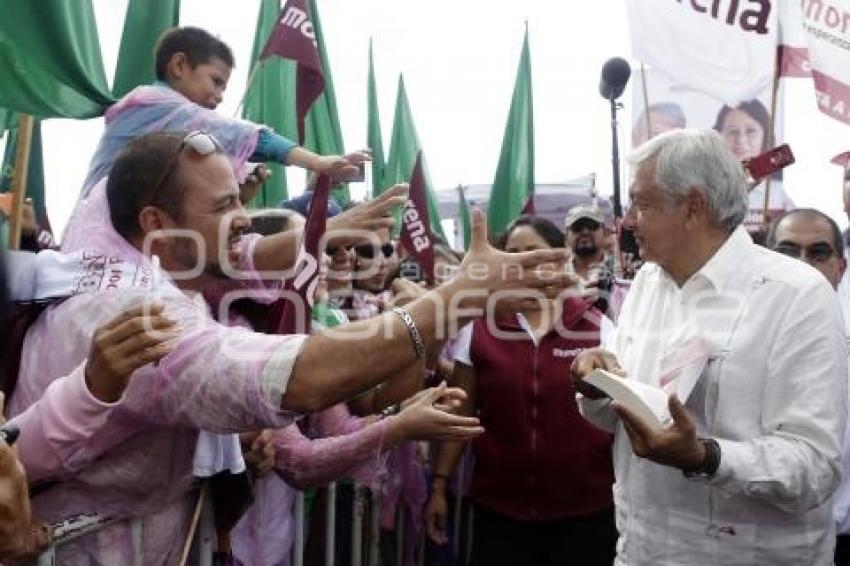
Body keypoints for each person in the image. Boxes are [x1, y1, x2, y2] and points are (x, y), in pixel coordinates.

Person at [9, 131, 571, 563]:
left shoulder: (107, 267)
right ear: (156, 223)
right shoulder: (140, 317)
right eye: (224, 207)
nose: (242, 222)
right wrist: (456, 298)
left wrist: (321, 233)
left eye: (241, 205)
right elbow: (300, 376)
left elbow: (239, 256)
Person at [572, 129, 846, 565]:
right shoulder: (647, 282)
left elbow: (814, 466)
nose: (627, 222)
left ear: (693, 208)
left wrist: (705, 457)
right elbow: (623, 419)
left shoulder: (796, 294)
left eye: (643, 204)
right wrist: (596, 384)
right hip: (641, 552)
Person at [425, 215, 617, 566]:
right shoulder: (480, 327)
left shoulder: (596, 327)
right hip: (500, 512)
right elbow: (460, 412)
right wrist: (439, 484)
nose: (522, 262)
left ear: (559, 258)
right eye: (512, 253)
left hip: (585, 511)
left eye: (533, 252)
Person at [64, 26, 364, 249]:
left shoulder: (161, 122)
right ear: (179, 66)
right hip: (104, 238)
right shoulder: (155, 103)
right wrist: (318, 161)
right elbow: (252, 138)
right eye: (216, 82)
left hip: (117, 236)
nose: (220, 97)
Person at [765, 208, 850, 565]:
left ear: (840, 267)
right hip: (771, 541)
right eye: (787, 252)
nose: (803, 264)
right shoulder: (732, 343)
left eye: (818, 252)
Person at [712, 99, 793, 230]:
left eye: (750, 131)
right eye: (732, 131)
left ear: (765, 135)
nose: (741, 140)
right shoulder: (704, 184)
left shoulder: (782, 187)